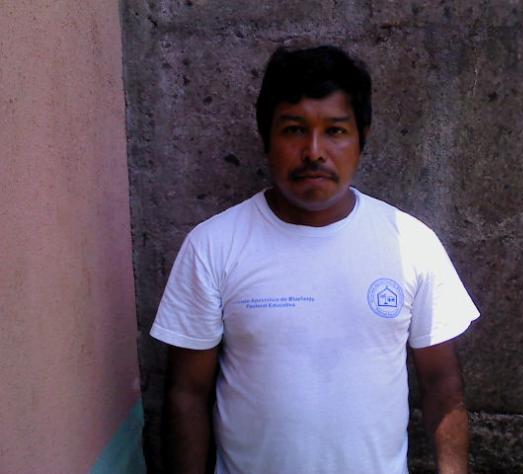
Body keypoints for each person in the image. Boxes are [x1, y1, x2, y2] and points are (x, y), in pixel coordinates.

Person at [151, 45, 479, 474]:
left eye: (335, 131)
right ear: (266, 138)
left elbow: (442, 385)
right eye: (294, 130)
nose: (314, 151)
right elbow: (187, 393)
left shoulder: (411, 243)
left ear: (362, 139)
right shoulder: (213, 246)